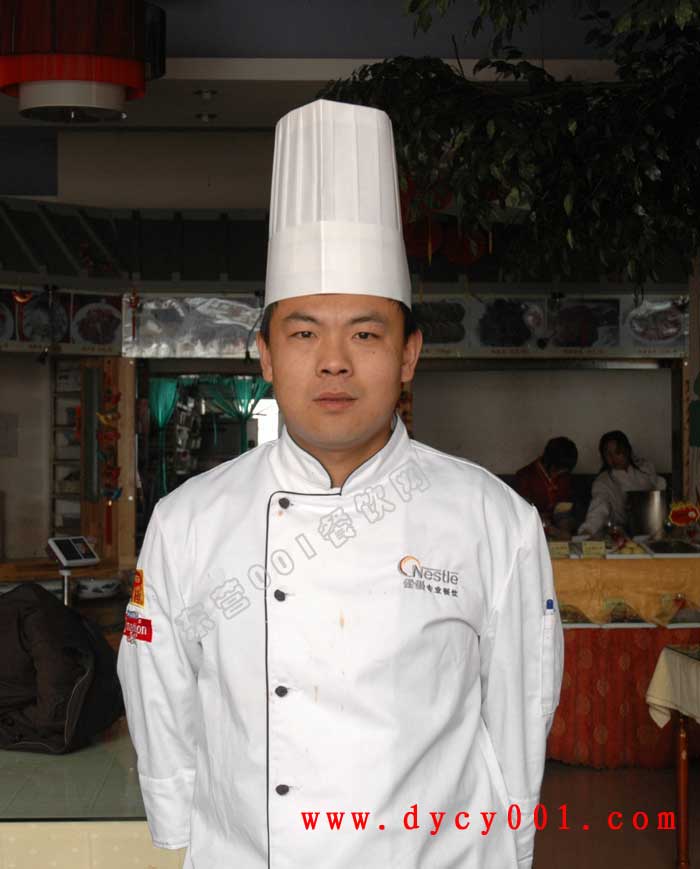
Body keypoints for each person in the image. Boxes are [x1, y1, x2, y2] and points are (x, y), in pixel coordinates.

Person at [117, 99, 563, 869]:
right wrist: (175, 818)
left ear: (410, 353)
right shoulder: (189, 520)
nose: (334, 361)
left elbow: (522, 701)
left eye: (364, 332)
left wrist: (513, 843)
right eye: (303, 332)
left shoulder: (494, 519)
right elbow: (157, 681)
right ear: (264, 352)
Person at [578, 429, 666, 536]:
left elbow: (660, 492)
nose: (613, 458)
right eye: (608, 454)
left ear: (627, 451)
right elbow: (599, 507)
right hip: (621, 534)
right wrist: (587, 531)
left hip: (653, 529)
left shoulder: (646, 469)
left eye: (618, 452)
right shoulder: (602, 481)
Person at [514, 437, 578, 518]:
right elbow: (524, 512)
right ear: (548, 462)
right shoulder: (524, 476)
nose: (560, 473)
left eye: (564, 471)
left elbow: (565, 508)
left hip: (558, 523)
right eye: (557, 469)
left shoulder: (565, 478)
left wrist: (564, 520)